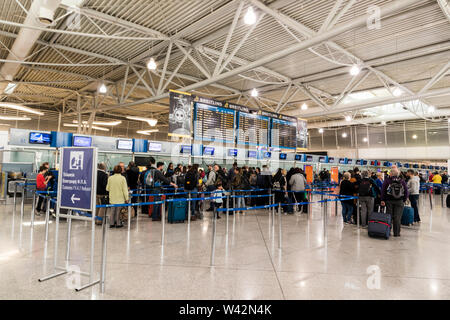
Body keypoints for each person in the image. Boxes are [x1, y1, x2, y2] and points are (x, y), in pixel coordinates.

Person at [381, 168, 409, 237]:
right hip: (399, 201)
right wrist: (404, 200)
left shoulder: (387, 181)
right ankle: (396, 233)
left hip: (389, 201)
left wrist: (382, 200)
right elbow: (406, 191)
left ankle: (388, 232)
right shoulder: (402, 181)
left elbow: (383, 190)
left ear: (391, 174)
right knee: (397, 218)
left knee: (389, 217)